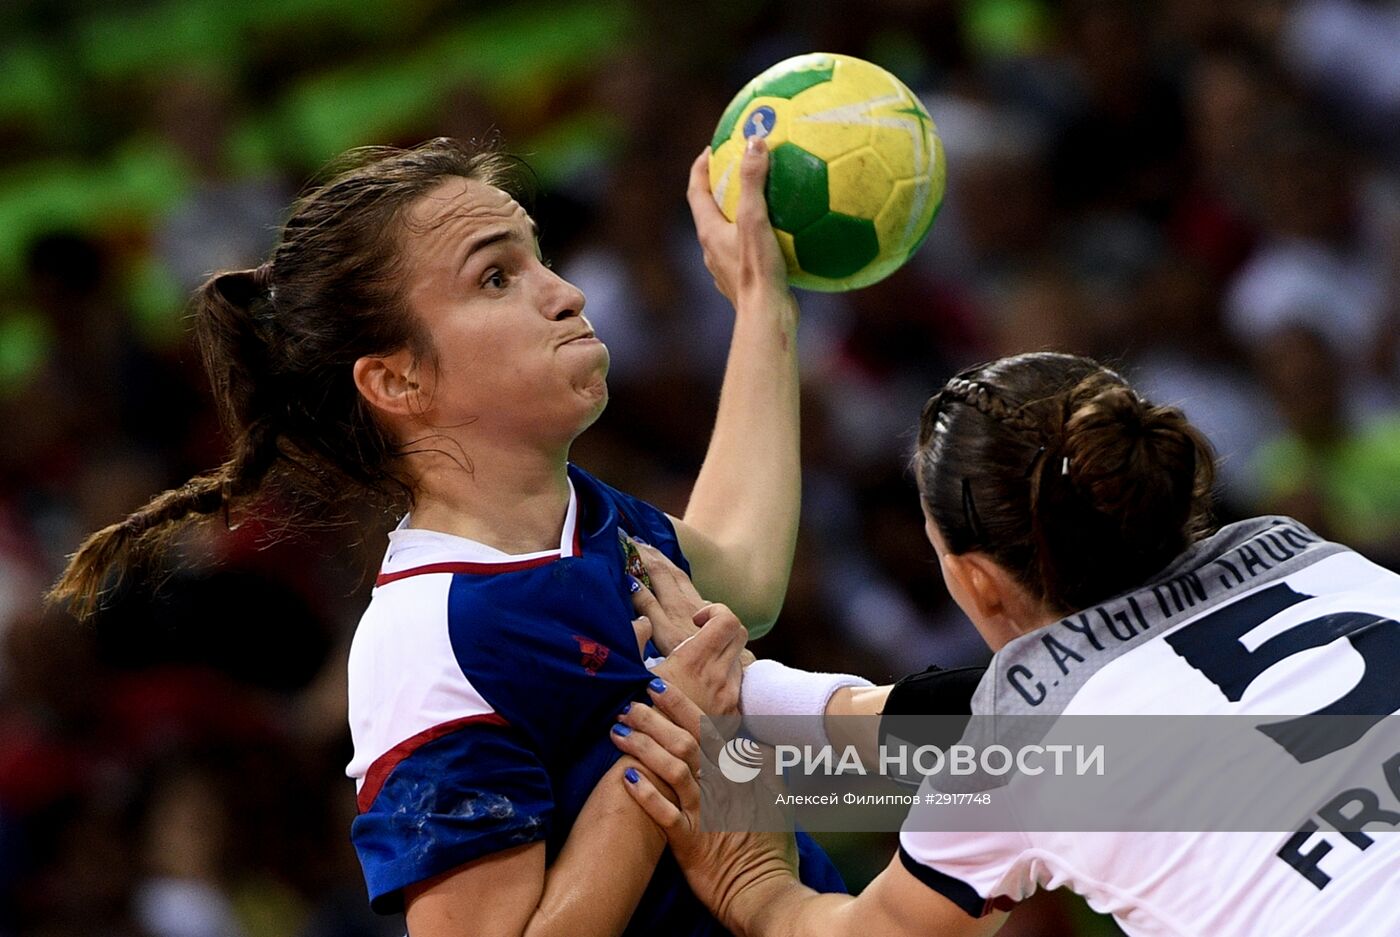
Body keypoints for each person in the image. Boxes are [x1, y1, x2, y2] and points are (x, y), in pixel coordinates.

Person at [47, 136, 856, 935]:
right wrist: (660, 751)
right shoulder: (426, 639)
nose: (568, 292)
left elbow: (741, 578)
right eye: (498, 276)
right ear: (397, 378)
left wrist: (761, 299)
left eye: (541, 258)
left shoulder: (588, 518)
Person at [612, 351, 1400, 937]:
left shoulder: (1019, 751)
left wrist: (752, 883)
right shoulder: (1300, 551)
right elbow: (1025, 704)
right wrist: (752, 688)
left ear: (978, 579)